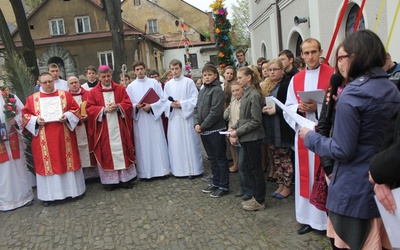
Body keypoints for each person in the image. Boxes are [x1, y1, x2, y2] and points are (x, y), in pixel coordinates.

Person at [299, 29, 400, 250]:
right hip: (385, 186)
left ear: (356, 57)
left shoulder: (353, 94)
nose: (339, 64)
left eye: (341, 57)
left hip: (353, 191)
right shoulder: (392, 89)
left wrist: (311, 137)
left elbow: (343, 149)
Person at [284, 38, 334, 234]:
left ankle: (325, 222)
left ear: (320, 52)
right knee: (307, 177)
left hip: (325, 135)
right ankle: (307, 219)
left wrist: (318, 107)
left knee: (323, 178)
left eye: (313, 52)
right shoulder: (296, 79)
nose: (310, 56)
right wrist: (299, 106)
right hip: (304, 135)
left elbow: (339, 102)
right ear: (301, 55)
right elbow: (288, 107)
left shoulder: (332, 74)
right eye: (306, 53)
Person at [22, 72, 85, 206]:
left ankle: (74, 192)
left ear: (54, 81)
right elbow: (25, 115)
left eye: (50, 81)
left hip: (64, 136)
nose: (48, 84)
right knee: (47, 165)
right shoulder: (32, 99)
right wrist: (36, 120)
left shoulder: (65, 95)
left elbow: (76, 110)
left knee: (67, 160)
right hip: (43, 139)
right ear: (39, 83)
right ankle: (50, 197)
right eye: (45, 82)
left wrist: (67, 116)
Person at [86, 65, 136, 190]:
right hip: (104, 129)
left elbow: (128, 104)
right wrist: (103, 109)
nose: (107, 79)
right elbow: (89, 108)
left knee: (123, 150)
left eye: (108, 76)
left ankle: (125, 179)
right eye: (103, 77)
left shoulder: (120, 89)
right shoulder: (93, 93)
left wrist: (119, 107)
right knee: (107, 153)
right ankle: (111, 182)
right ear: (99, 77)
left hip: (119, 126)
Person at [228, 66, 266, 211]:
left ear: (248, 78)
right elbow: (244, 118)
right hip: (246, 137)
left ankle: (259, 200)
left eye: (239, 77)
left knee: (256, 169)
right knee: (251, 168)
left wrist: (237, 131)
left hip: (253, 137)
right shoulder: (246, 94)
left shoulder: (254, 95)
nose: (237, 80)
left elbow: (256, 121)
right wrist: (234, 127)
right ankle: (255, 197)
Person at [126, 61, 170, 179]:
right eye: (137, 69)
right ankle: (146, 173)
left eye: (141, 69)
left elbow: (163, 99)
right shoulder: (130, 87)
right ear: (134, 71)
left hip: (153, 118)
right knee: (143, 146)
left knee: (157, 143)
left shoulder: (154, 83)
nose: (139, 71)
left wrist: (151, 106)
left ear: (145, 69)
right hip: (140, 120)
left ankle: (162, 171)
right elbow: (128, 104)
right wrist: (136, 106)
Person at [164, 59, 203, 178]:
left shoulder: (189, 82)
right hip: (174, 119)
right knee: (176, 144)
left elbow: (195, 99)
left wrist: (182, 104)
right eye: (172, 69)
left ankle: (194, 170)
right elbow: (164, 101)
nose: (174, 71)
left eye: (176, 68)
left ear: (181, 69)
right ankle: (179, 170)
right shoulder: (168, 84)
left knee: (190, 143)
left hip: (186, 118)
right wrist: (170, 104)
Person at [194, 64, 229, 198]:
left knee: (220, 159)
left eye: (209, 75)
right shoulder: (202, 90)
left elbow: (215, 112)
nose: (207, 77)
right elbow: (197, 108)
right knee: (212, 159)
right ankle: (215, 182)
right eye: (204, 75)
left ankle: (223, 185)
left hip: (215, 130)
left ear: (215, 76)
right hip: (204, 131)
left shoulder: (217, 90)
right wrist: (197, 123)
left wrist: (203, 126)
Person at [262, 58, 294, 199]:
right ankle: (280, 183)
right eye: (270, 70)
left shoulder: (287, 84)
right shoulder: (267, 85)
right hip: (270, 126)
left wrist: (277, 110)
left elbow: (291, 105)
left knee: (284, 158)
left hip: (282, 126)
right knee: (276, 157)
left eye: (275, 69)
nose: (272, 72)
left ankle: (287, 186)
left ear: (282, 70)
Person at [0, 87, 34, 211]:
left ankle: (24, 196)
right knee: (3, 171)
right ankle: (6, 202)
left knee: (19, 166)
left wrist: (15, 120)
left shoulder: (9, 96)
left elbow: (24, 113)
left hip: (12, 136)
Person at [224, 82, 253, 200]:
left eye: (237, 90)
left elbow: (243, 120)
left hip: (243, 135)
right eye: (233, 91)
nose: (235, 93)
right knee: (240, 165)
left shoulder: (245, 102)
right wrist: (229, 131)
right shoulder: (233, 102)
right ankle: (242, 188)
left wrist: (235, 132)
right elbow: (229, 117)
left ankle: (249, 190)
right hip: (233, 134)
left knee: (243, 164)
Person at [67, 76, 98, 180]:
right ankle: (82, 176)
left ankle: (94, 175)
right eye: (71, 83)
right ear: (68, 85)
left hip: (88, 127)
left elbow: (93, 107)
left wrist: (88, 116)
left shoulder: (88, 94)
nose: (74, 85)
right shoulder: (65, 97)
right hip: (74, 129)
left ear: (79, 83)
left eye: (76, 82)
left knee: (90, 147)